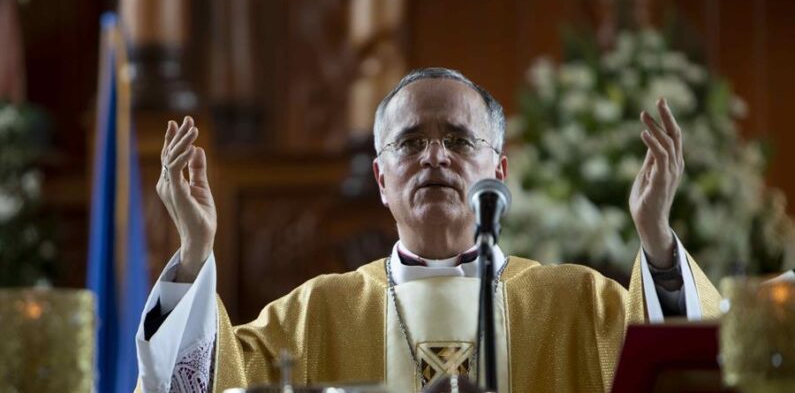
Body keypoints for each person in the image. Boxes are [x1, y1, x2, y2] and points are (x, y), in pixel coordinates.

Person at [135, 68, 721, 393]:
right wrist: (193, 252)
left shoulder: (578, 305)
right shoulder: (317, 316)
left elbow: (684, 373)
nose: (435, 157)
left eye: (460, 140)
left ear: (500, 170)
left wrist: (658, 244)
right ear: (382, 178)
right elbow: (203, 386)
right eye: (411, 142)